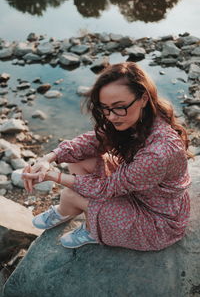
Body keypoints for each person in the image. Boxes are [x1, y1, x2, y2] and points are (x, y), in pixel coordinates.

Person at [21, 62, 192, 251]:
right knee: (79, 157)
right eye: (105, 108)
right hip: (135, 190)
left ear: (143, 98)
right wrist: (48, 159)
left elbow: (106, 189)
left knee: (70, 195)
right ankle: (83, 215)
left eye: (119, 107)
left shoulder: (158, 153)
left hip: (156, 219)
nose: (110, 117)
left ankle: (82, 220)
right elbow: (91, 142)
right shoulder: (136, 118)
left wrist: (54, 176)